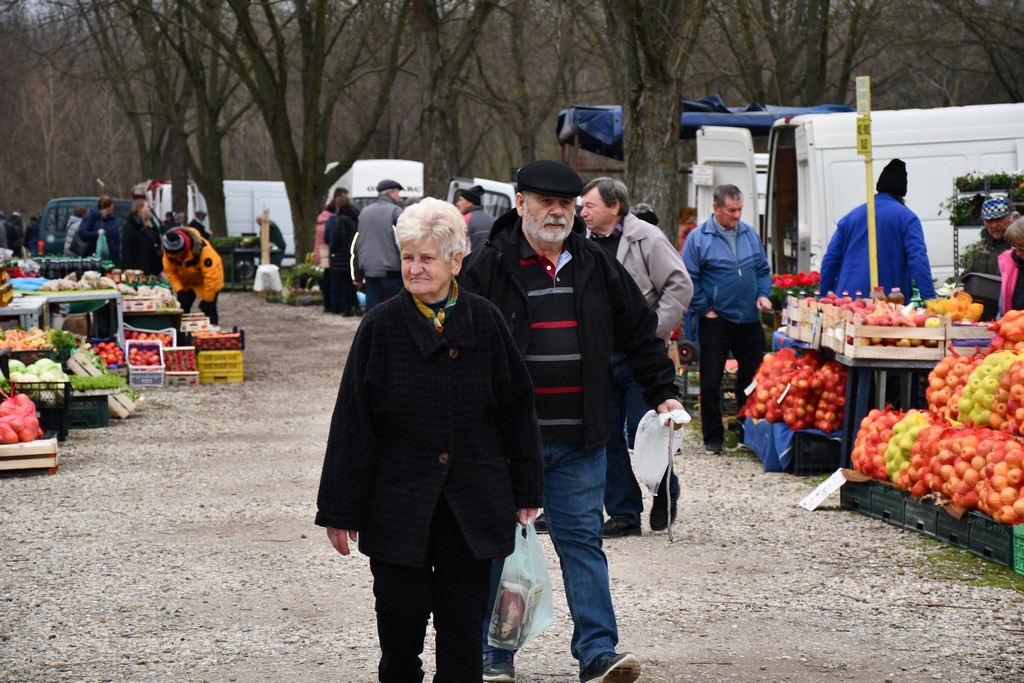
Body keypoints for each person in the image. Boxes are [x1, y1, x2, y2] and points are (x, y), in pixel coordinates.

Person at [461, 160, 683, 683]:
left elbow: (639, 332)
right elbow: (460, 346)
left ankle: (597, 653)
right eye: (545, 202)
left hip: (580, 439)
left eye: (565, 203)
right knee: (496, 547)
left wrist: (663, 393)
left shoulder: (594, 264)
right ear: (521, 204)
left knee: (582, 543)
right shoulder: (488, 266)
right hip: (505, 442)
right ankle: (493, 652)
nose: (557, 212)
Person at [315, 197, 544, 683]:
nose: (414, 269)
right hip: (398, 502)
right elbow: (353, 421)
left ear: (456, 261)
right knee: (399, 625)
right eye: (408, 257)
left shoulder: (485, 320)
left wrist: (527, 488)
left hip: (473, 501)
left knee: (462, 631)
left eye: (427, 258)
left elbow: (517, 410)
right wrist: (338, 508)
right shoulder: (380, 326)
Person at [580, 178, 693, 538]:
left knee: (649, 430)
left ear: (614, 207)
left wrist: (654, 330)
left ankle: (664, 492)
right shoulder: (579, 241)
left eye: (590, 205)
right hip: (598, 354)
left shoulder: (646, 237)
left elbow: (679, 284)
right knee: (606, 434)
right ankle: (624, 512)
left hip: (639, 355)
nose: (583, 212)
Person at [682, 184, 773, 455]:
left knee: (752, 378)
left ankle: (747, 432)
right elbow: (688, 276)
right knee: (711, 380)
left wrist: (763, 294)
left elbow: (763, 269)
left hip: (749, 319)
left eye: (740, 209)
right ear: (716, 208)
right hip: (716, 320)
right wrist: (703, 307)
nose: (737, 215)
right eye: (731, 210)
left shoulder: (749, 234)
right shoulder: (699, 238)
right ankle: (713, 438)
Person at [818, 158, 937, 301]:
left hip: (846, 299)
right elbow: (918, 259)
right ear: (902, 194)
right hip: (887, 300)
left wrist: (823, 295)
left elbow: (830, 259)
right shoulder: (907, 218)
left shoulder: (851, 216)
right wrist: (930, 298)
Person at [962, 196, 1020, 319]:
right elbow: (967, 274)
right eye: (989, 221)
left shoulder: (1018, 250)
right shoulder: (983, 248)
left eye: (999, 219)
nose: (994, 225)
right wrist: (959, 286)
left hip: (1013, 317)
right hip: (983, 317)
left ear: (1015, 218)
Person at [353, 179, 404, 310]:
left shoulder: (364, 212)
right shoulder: (395, 211)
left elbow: (357, 244)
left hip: (369, 270)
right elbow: (404, 239)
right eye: (397, 193)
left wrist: (358, 274)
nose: (399, 197)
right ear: (391, 193)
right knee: (400, 309)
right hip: (391, 270)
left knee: (373, 312)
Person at [162, 226, 224, 324]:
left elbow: (211, 277)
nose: (176, 257)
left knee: (209, 308)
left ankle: (212, 330)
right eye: (173, 254)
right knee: (182, 307)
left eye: (178, 253)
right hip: (188, 281)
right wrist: (180, 291)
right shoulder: (169, 254)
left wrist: (207, 300)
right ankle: (181, 331)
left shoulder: (203, 251)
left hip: (210, 279)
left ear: (184, 247)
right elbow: (171, 273)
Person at [328, 195, 360, 316]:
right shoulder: (356, 216)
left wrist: (333, 250)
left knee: (345, 284)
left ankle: (349, 308)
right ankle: (356, 307)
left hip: (342, 255)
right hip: (353, 253)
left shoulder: (341, 219)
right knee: (351, 283)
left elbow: (338, 236)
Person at [120, 199, 164, 276]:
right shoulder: (130, 226)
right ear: (140, 208)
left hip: (153, 266)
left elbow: (157, 242)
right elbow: (127, 249)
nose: (148, 209)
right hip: (138, 266)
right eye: (146, 207)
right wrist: (128, 269)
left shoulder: (152, 224)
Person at [74, 195, 121, 265]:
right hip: (95, 257)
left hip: (112, 257)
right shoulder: (91, 217)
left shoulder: (111, 219)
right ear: (108, 207)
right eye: (112, 206)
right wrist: (96, 233)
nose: (113, 208)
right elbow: (82, 232)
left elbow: (116, 237)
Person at [456, 184, 495, 253]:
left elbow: (458, 247)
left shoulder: (465, 219)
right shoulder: (493, 220)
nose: (457, 204)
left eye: (460, 200)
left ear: (470, 203)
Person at [997, 217, 1024, 316]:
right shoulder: (1009, 262)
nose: (1018, 253)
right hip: (1013, 324)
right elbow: (1002, 309)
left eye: (1022, 248)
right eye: (1015, 247)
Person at [315, 199, 336, 312]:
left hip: (321, 254)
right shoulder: (329, 221)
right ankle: (330, 305)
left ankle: (326, 305)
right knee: (330, 282)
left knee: (326, 281)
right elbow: (328, 239)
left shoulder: (320, 221)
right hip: (327, 254)